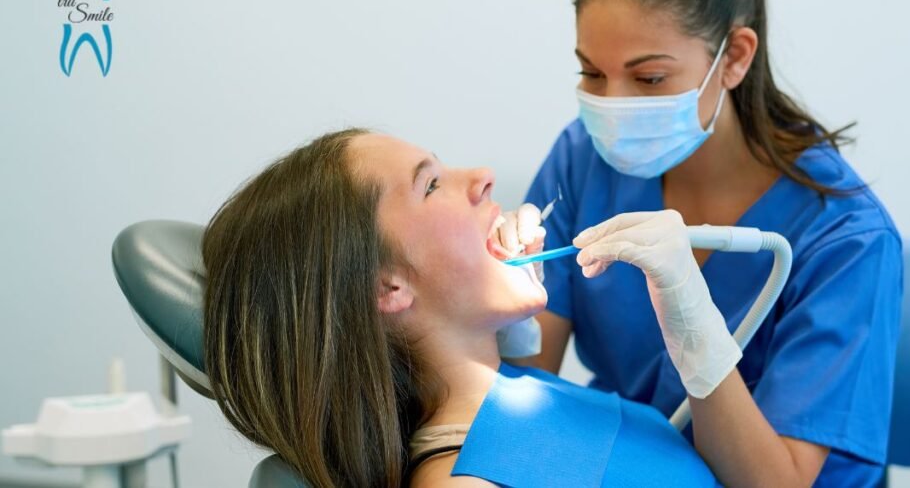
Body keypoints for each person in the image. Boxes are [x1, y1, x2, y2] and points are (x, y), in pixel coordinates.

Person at [493, 0, 903, 485]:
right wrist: (506, 317)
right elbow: (518, 394)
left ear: (733, 57)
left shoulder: (846, 240)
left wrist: (697, 331)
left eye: (650, 79)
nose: (611, 106)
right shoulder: (582, 159)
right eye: (591, 72)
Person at [200, 129, 721, 487]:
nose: (482, 177)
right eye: (431, 185)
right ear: (387, 286)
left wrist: (509, 339)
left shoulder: (520, 398)